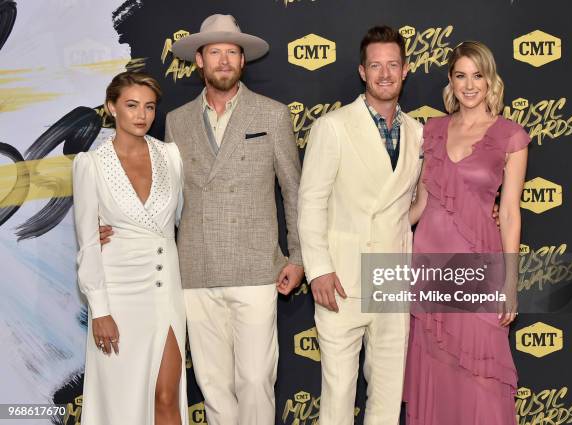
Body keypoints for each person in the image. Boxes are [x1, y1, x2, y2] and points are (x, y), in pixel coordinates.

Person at [97, 14, 303, 425]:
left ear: (243, 61)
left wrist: (297, 257)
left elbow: (294, 192)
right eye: (214, 52)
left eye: (231, 52)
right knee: (211, 384)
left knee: (256, 380)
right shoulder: (176, 121)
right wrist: (120, 231)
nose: (223, 60)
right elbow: (162, 195)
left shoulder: (273, 115)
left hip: (257, 268)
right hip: (193, 270)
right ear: (199, 61)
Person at [298, 26, 423, 424]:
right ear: (362, 71)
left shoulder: (419, 134)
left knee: (387, 395)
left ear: (405, 70)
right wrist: (318, 269)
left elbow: (409, 207)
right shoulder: (332, 127)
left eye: (392, 65)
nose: (384, 74)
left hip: (390, 275)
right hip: (342, 278)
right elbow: (311, 202)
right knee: (337, 395)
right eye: (375, 65)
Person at [403, 41, 529, 425]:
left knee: (483, 378)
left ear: (491, 80)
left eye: (478, 75)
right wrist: (369, 225)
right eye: (461, 75)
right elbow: (422, 205)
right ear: (451, 81)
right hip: (429, 268)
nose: (469, 85)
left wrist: (509, 284)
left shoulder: (511, 135)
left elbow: (508, 214)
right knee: (437, 372)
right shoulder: (433, 130)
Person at [73, 71, 187, 425]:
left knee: (167, 395)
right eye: (132, 105)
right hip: (118, 295)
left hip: (165, 290)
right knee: (123, 406)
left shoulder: (171, 156)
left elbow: (177, 218)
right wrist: (100, 309)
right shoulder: (90, 164)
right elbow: (88, 245)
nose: (142, 115)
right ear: (112, 108)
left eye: (149, 107)